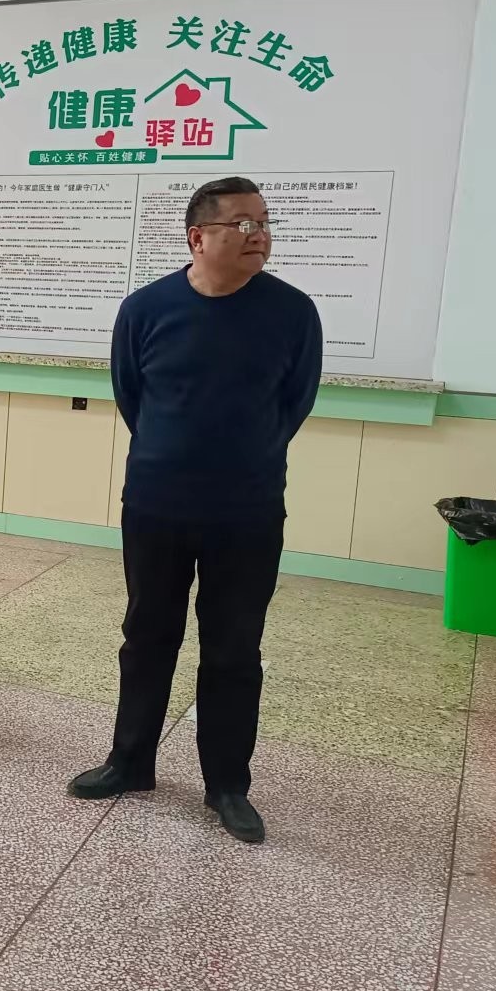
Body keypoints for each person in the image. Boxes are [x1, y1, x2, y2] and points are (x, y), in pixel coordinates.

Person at [69, 176, 322, 845]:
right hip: (156, 505)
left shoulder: (293, 312)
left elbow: (294, 403)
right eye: (242, 223)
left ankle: (227, 785)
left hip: (249, 511)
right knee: (147, 635)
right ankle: (130, 761)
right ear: (198, 237)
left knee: (234, 647)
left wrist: (243, 457)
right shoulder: (146, 309)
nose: (259, 234)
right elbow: (133, 396)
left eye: (263, 222)